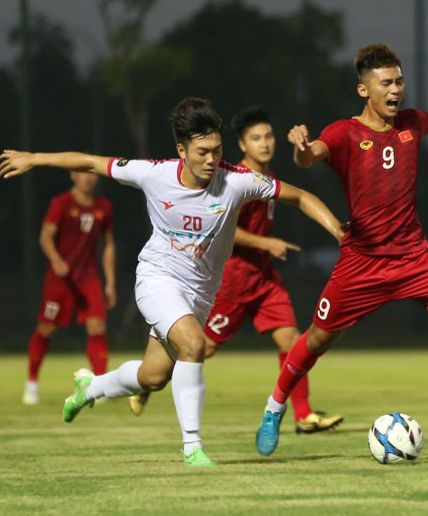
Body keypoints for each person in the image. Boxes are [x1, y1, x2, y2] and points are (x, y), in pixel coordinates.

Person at [0, 97, 344, 467]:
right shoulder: (154, 174)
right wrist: (34, 158)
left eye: (217, 150)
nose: (212, 160)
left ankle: (91, 387)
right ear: (182, 150)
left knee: (153, 377)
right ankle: (192, 448)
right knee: (194, 344)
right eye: (202, 152)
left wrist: (341, 233)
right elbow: (90, 162)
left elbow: (300, 197)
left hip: (200, 294)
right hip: (157, 279)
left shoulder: (237, 181)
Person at [255, 43, 428, 457]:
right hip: (362, 265)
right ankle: (274, 408)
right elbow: (310, 158)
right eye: (386, 82)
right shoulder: (344, 132)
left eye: (399, 81)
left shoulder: (411, 123)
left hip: (414, 259)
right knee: (315, 341)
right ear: (364, 89)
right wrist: (299, 146)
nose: (396, 89)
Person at [128, 107, 343, 435]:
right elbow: (221, 230)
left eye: (268, 136)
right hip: (234, 278)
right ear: (242, 145)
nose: (265, 143)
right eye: (256, 138)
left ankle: (304, 414)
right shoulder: (234, 181)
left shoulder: (266, 180)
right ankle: (148, 380)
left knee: (291, 339)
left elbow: (298, 196)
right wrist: (266, 242)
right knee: (202, 347)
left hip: (264, 277)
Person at [22, 171, 116, 405]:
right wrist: (56, 260)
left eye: (92, 173)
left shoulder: (104, 207)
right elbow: (46, 236)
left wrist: (110, 282)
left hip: (88, 278)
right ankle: (31, 383)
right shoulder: (61, 203)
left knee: (97, 326)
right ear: (73, 175)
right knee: (46, 328)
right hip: (60, 280)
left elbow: (108, 245)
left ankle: (99, 386)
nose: (88, 178)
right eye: (82, 173)